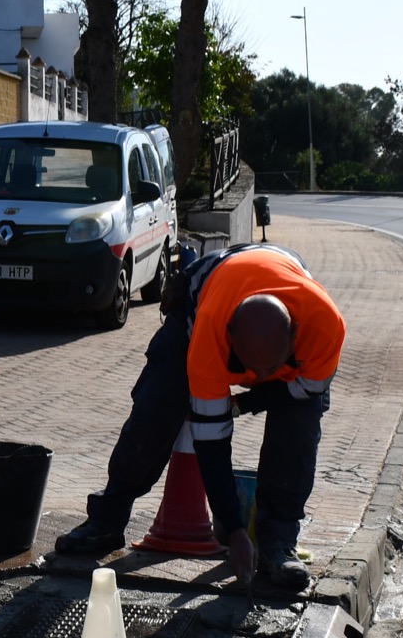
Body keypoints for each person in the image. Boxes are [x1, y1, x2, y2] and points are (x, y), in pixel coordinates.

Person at [53, 242, 346, 597]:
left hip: (268, 287)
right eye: (248, 366)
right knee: (153, 412)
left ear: (295, 334)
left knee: (298, 430)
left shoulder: (325, 328)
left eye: (269, 368)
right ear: (230, 337)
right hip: (205, 297)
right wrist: (235, 532)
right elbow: (211, 442)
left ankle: (278, 544)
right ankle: (106, 520)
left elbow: (305, 390)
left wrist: (244, 402)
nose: (256, 376)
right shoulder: (209, 333)